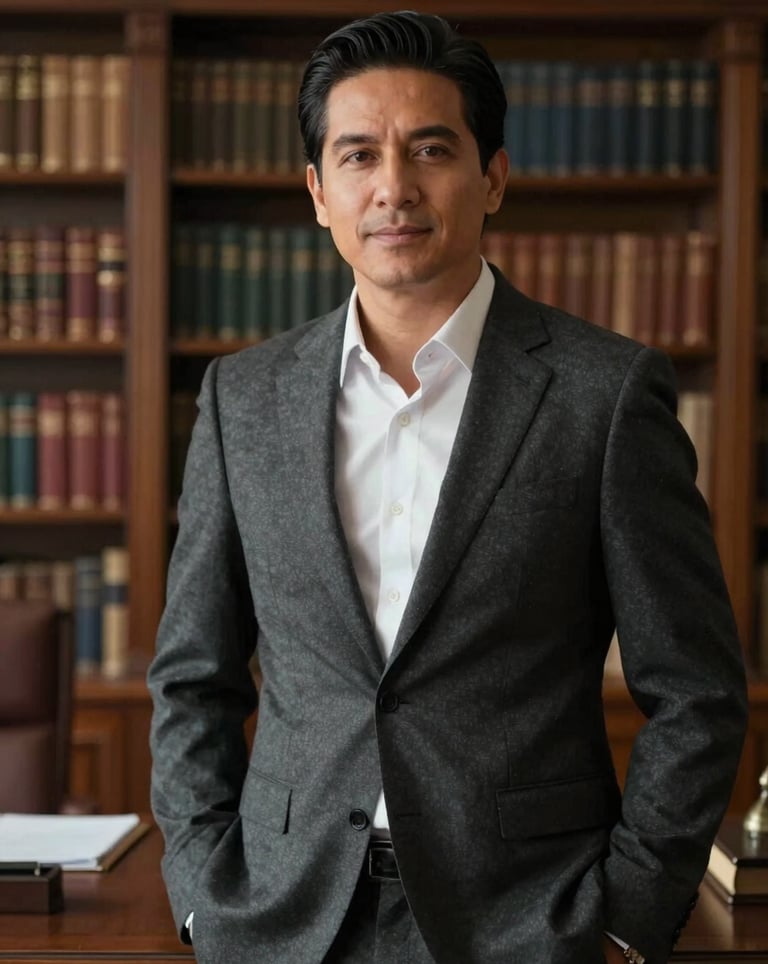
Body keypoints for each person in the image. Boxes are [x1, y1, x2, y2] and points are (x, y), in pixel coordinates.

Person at [148, 11, 748, 964]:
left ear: (493, 176)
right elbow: (193, 675)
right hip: (284, 921)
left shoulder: (605, 394)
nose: (393, 187)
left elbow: (696, 690)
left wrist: (630, 917)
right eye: (357, 156)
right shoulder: (243, 399)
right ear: (317, 192)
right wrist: (200, 891)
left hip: (527, 921)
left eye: (430, 148)